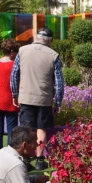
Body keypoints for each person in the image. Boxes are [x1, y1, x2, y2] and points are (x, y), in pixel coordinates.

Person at [10, 27, 63, 171]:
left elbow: (14, 74)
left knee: (26, 129)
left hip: (26, 97)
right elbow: (58, 82)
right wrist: (58, 102)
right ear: (49, 40)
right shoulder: (53, 55)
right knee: (41, 129)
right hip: (44, 99)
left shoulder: (22, 51)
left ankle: (25, 160)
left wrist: (15, 94)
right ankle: (40, 160)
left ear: (36, 37)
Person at [0, 39, 20, 152]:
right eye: (16, 52)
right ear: (12, 52)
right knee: (12, 129)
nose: (17, 54)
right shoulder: (13, 65)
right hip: (9, 101)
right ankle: (9, 154)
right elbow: (18, 82)